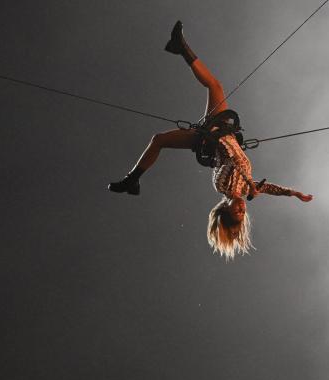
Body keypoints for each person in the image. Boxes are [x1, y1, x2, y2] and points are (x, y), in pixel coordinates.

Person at [108, 21, 313, 259]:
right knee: (160, 139)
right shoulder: (244, 188)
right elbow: (268, 188)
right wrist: (293, 193)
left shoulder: (222, 186)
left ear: (225, 209)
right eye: (243, 213)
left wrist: (249, 184)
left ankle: (180, 47)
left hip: (211, 135)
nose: (241, 209)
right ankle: (133, 181)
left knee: (213, 86)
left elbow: (233, 160)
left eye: (236, 212)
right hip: (217, 132)